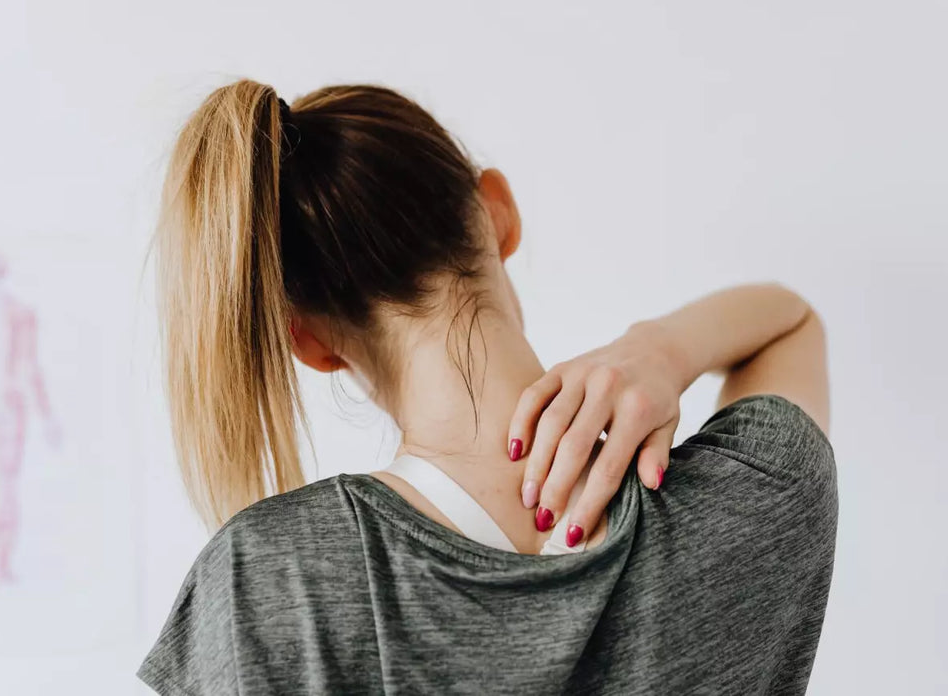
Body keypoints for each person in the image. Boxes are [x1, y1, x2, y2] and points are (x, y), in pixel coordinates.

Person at [138, 79, 837, 694]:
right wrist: (662, 348)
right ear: (498, 211)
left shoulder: (276, 580)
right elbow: (791, 320)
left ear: (310, 341)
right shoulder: (754, 496)